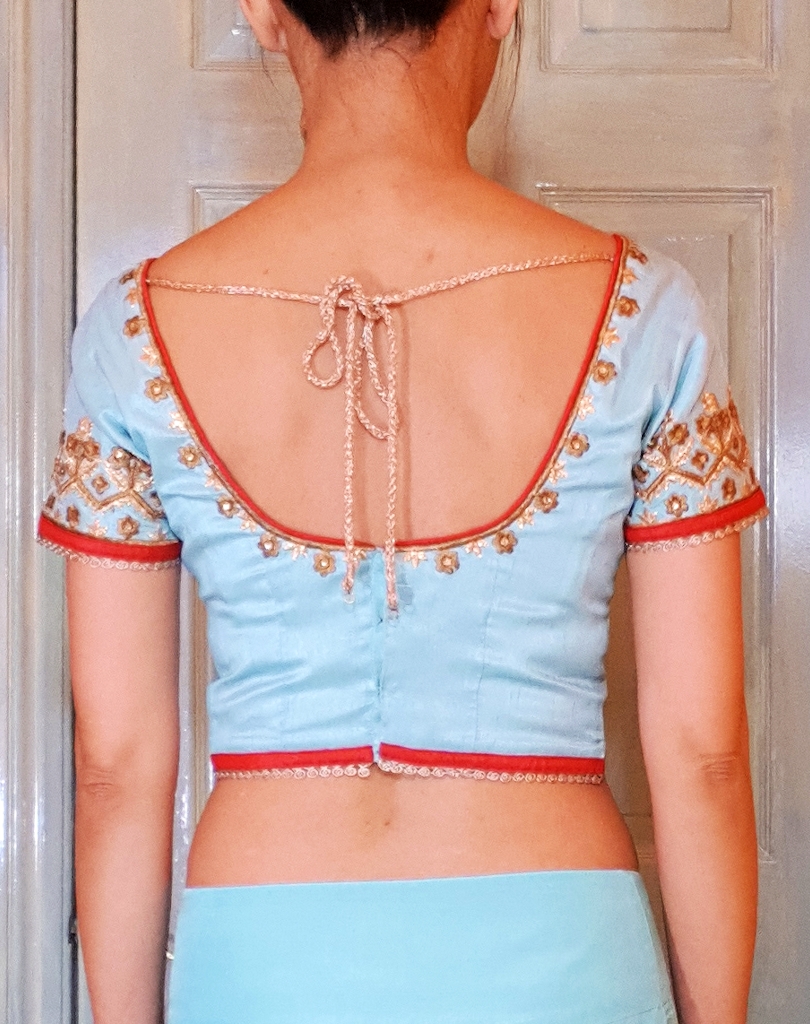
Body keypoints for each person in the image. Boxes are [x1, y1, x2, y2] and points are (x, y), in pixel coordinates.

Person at [38, 0, 766, 1021]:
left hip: (265, 957)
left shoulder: (134, 330)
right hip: (560, 947)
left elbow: (115, 769)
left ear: (264, 10)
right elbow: (703, 756)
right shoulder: (645, 313)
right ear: (499, 5)